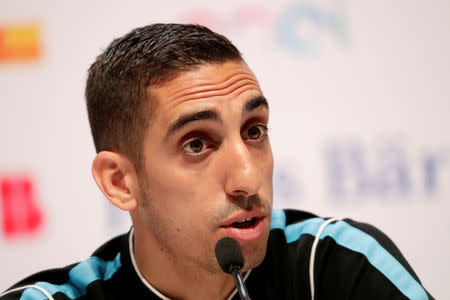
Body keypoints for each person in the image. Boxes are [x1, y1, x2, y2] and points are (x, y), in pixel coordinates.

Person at [0, 23, 434, 300]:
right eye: (196, 145)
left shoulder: (334, 264)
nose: (248, 178)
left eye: (254, 131)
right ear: (120, 182)